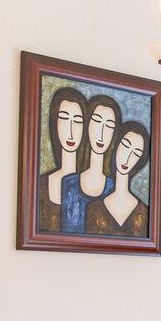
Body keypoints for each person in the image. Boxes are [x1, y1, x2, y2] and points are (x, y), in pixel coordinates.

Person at [64, 94, 120, 234]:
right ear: (87, 124)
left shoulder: (115, 188)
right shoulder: (69, 184)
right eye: (97, 122)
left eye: (109, 126)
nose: (101, 133)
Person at [86, 121, 151, 239]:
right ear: (116, 146)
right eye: (126, 146)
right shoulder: (94, 208)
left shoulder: (144, 212)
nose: (128, 157)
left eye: (136, 153)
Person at [38, 87, 86, 233]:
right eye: (65, 119)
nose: (71, 130)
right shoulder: (39, 185)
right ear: (55, 123)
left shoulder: (93, 185)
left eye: (77, 121)